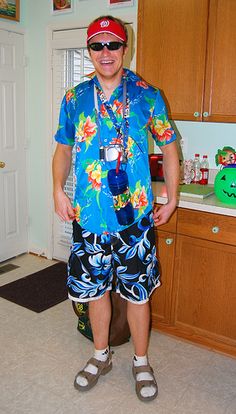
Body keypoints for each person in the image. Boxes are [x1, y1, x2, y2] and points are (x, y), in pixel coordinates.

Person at [52, 15, 179, 402]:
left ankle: (141, 361)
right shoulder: (74, 99)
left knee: (138, 294)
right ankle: (100, 355)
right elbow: (63, 149)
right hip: (88, 217)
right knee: (94, 293)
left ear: (126, 47)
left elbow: (170, 147)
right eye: (97, 45)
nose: (105, 53)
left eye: (113, 45)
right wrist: (57, 188)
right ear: (89, 51)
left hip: (134, 219)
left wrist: (171, 197)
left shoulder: (147, 95)